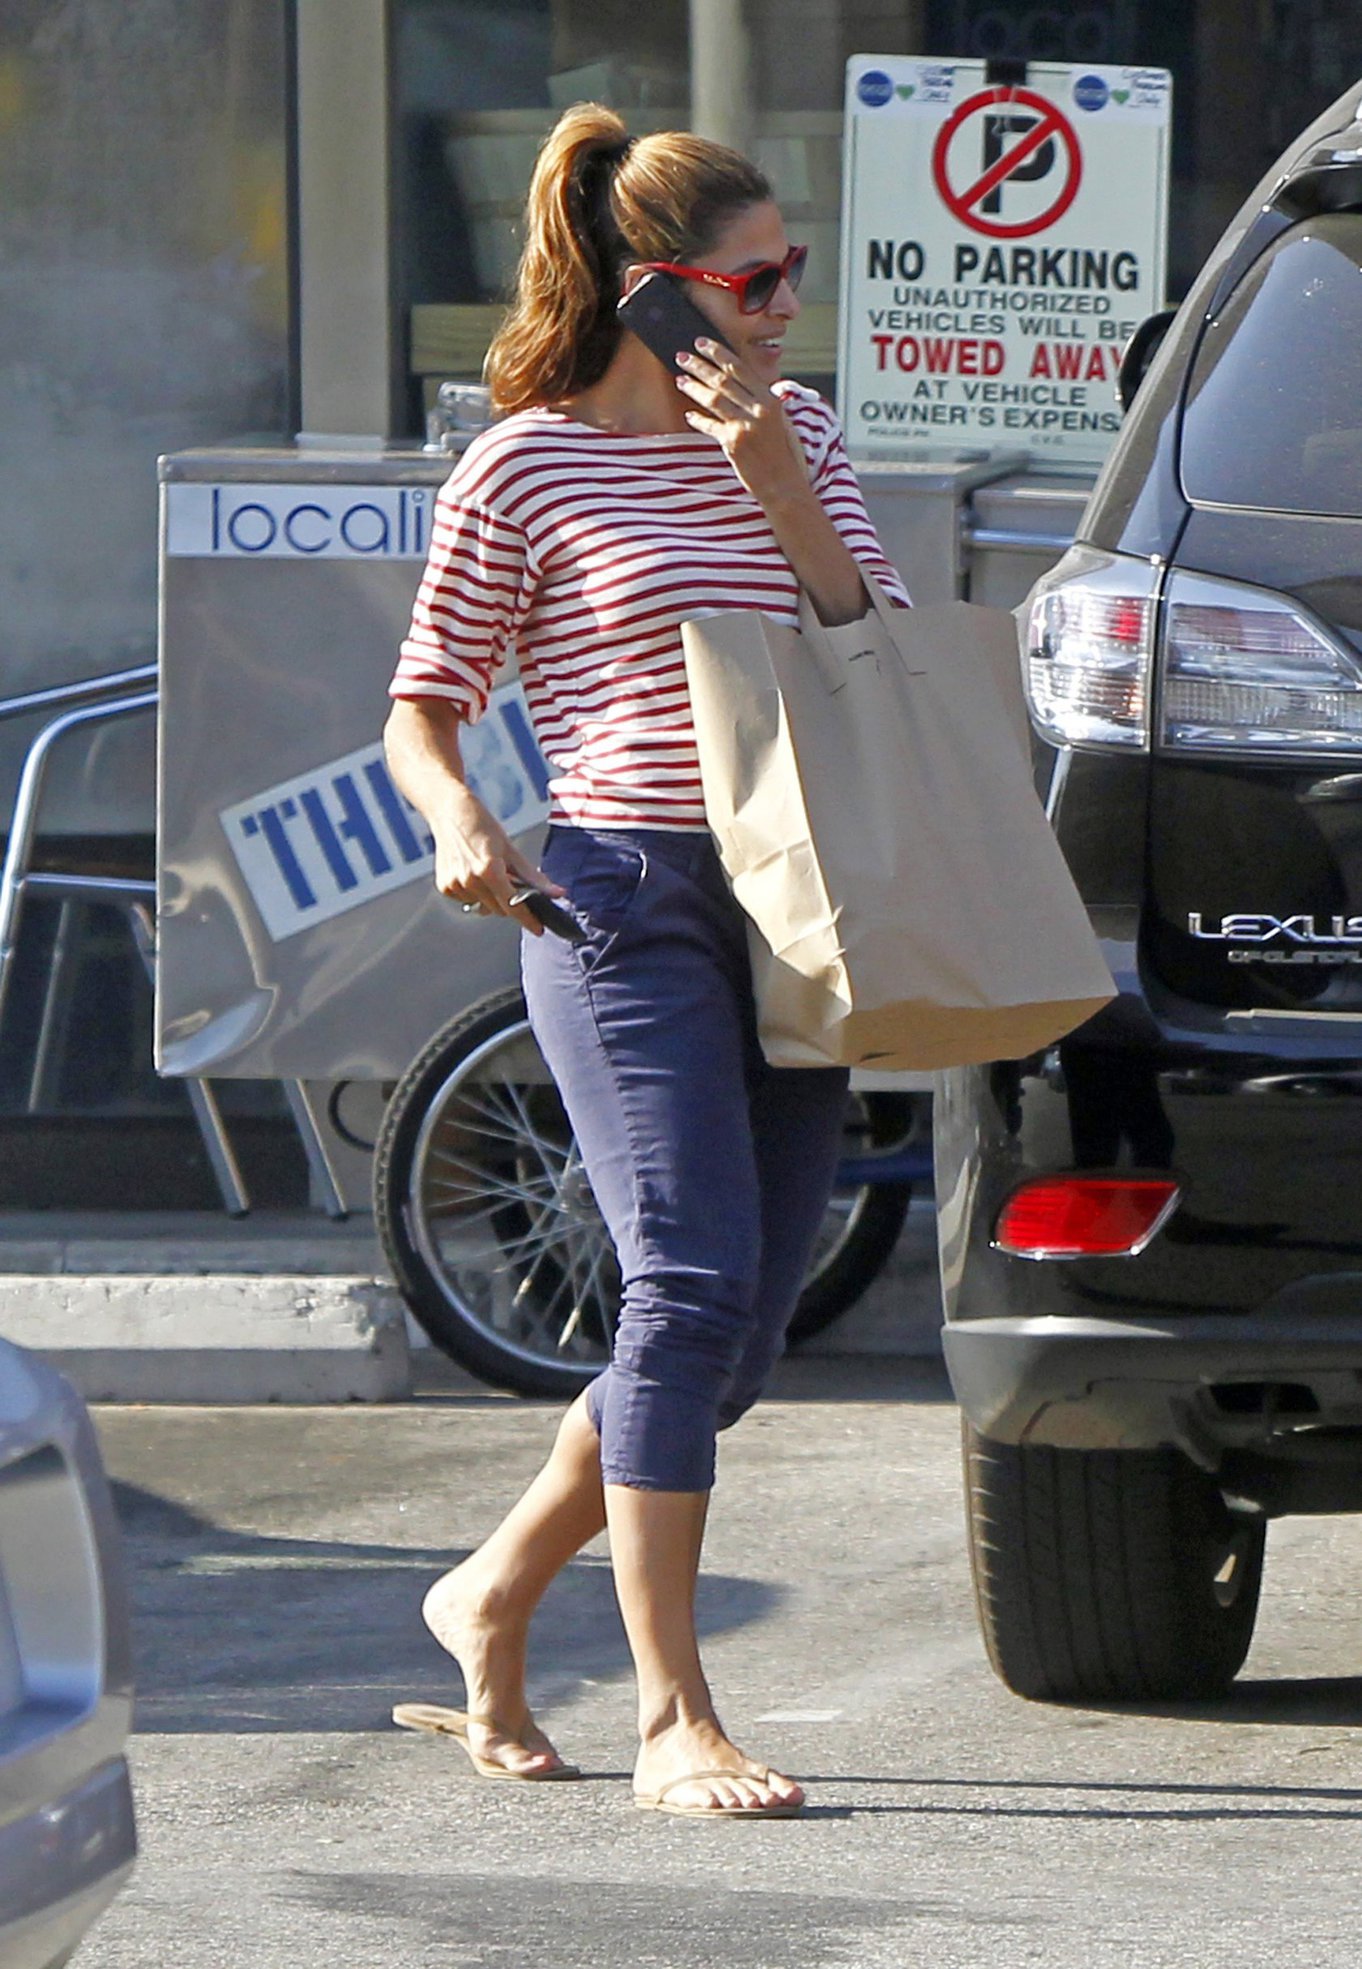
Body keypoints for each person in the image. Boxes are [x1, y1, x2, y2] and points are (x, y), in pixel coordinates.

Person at [383, 101, 911, 1820]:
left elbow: (877, 654)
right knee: (678, 1286)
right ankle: (672, 1714)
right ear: (653, 291)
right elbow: (423, 707)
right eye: (752, 283)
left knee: (738, 1342)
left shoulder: (802, 437)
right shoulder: (521, 462)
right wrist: (462, 818)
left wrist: (771, 480)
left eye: (791, 277)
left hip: (796, 893)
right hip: (619, 892)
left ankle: (486, 1590)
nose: (779, 310)